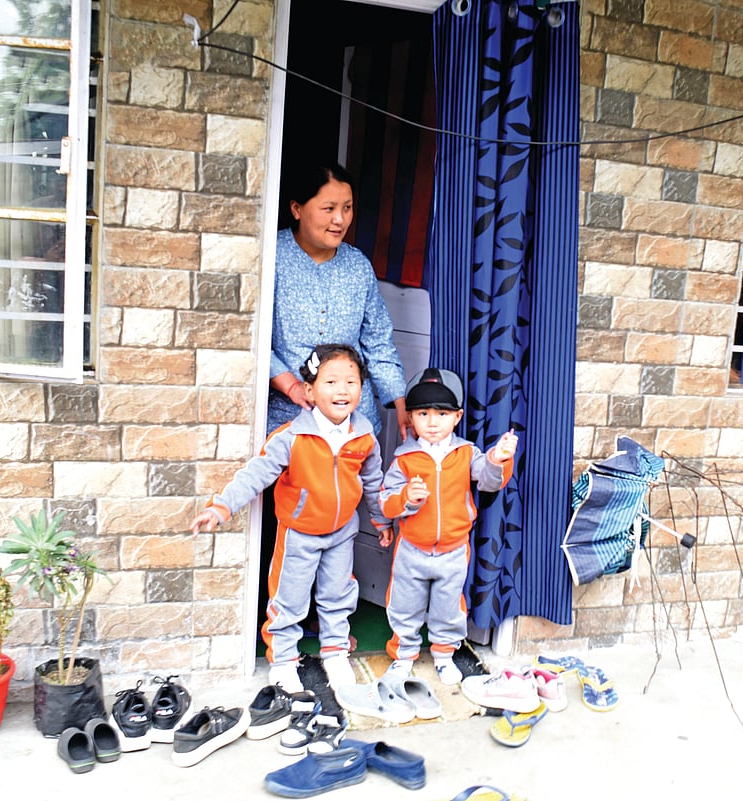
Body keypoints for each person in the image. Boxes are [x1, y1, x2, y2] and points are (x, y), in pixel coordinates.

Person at [190, 344, 390, 692]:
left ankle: (335, 652)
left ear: (361, 389)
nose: (342, 390)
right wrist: (221, 507)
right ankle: (283, 660)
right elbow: (256, 474)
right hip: (299, 533)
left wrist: (381, 521)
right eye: (331, 382)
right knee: (289, 599)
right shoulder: (291, 437)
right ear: (309, 391)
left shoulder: (364, 434)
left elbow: (373, 481)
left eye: (351, 382)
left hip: (343, 531)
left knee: (338, 594)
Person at [377, 368, 518, 685]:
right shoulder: (403, 458)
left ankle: (444, 656)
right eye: (422, 413)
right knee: (404, 606)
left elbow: (490, 482)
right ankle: (403, 656)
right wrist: (406, 498)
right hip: (412, 549)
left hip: (453, 550)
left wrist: (497, 459)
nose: (432, 422)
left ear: (457, 417)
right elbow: (385, 500)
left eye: (441, 414)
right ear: (410, 418)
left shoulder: (466, 453)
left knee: (448, 607)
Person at [268, 162, 408, 439]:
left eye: (347, 208)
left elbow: (378, 342)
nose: (340, 220)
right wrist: (291, 386)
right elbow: (251, 339)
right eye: (329, 208)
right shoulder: (271, 257)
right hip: (287, 422)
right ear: (296, 209)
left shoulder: (358, 266)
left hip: (353, 427)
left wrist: (401, 403)